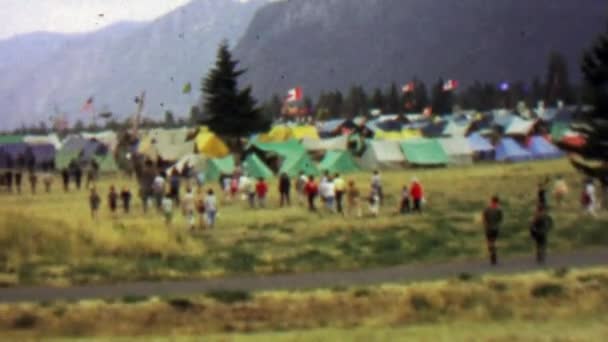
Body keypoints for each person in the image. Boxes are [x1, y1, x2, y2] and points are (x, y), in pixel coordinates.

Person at [482, 196, 503, 266]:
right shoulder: (499, 210)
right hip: (495, 228)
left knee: (489, 242)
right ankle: (493, 252)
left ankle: (492, 253)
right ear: (497, 202)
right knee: (493, 241)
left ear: (491, 201)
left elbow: (484, 218)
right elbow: (500, 219)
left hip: (488, 228)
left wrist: (485, 225)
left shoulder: (487, 209)